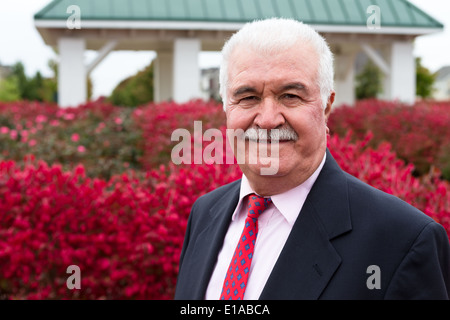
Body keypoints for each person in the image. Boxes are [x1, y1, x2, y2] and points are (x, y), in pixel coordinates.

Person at [174, 18, 450, 300]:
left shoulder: (403, 240)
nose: (268, 119)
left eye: (290, 96)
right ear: (225, 108)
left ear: (326, 106)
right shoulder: (205, 213)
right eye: (248, 98)